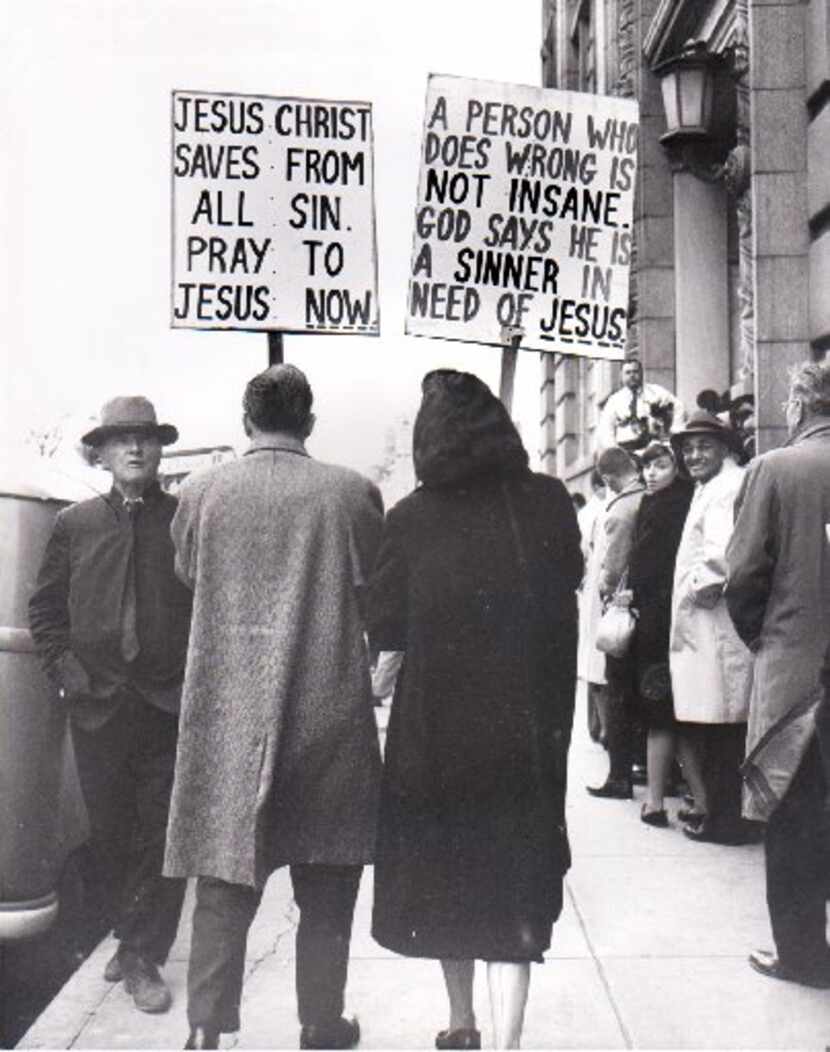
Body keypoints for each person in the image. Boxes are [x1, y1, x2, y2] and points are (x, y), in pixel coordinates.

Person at [164, 364, 383, 1051]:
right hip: (328, 714)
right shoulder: (350, 493)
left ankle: (204, 1030)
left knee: (224, 881)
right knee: (327, 881)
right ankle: (320, 1024)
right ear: (309, 423)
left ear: (244, 418)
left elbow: (187, 573)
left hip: (228, 714)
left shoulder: (199, 493)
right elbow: (374, 581)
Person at [367, 370, 581, 1050]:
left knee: (447, 885)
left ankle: (461, 1024)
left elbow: (386, 628)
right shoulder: (547, 501)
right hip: (525, 728)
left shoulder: (408, 519)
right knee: (516, 882)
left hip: (438, 738)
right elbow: (570, 579)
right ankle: (511, 1037)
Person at [28, 396, 190, 1014]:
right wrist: (69, 676)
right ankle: (129, 938)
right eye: (122, 439)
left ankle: (144, 954)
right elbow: (45, 613)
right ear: (101, 453)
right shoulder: (74, 525)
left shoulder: (183, 520)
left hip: (165, 705)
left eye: (146, 438)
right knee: (113, 835)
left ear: (159, 449)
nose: (135, 449)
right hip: (97, 707)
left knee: (163, 835)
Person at [725, 360, 830, 988]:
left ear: (796, 407)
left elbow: (742, 576)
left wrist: (765, 638)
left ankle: (804, 955)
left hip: (797, 678)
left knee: (794, 816)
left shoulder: (775, 469)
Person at [668, 411, 754, 844]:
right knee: (719, 725)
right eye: (688, 449)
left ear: (724, 447)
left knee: (723, 728)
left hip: (715, 623)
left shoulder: (724, 489)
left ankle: (727, 822)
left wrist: (697, 591)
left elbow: (720, 556)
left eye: (703, 446)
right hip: (709, 627)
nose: (694, 455)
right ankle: (725, 816)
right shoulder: (712, 486)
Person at [626, 442, 693, 825]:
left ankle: (655, 800)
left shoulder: (673, 503)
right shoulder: (661, 501)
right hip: (659, 611)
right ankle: (677, 794)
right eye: (647, 466)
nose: (651, 473)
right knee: (667, 708)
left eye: (660, 465)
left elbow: (648, 559)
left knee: (659, 705)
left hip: (661, 614)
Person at [586, 446, 645, 799]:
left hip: (624, 607)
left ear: (608, 477)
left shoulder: (621, 509)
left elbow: (612, 568)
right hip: (646, 603)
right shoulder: (646, 498)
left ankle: (618, 775)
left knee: (617, 689)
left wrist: (606, 591)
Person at [576, 469, 608, 744]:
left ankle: (596, 727)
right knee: (597, 665)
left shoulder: (588, 513)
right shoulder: (598, 511)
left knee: (592, 665)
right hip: (597, 592)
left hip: (590, 591)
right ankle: (601, 727)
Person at [597, 358, 685, 453]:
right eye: (628, 372)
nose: (632, 376)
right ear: (621, 376)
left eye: (635, 372)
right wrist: (615, 451)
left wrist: (675, 431)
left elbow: (678, 406)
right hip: (626, 450)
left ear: (641, 373)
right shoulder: (614, 400)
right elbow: (606, 428)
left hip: (652, 448)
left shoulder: (655, 392)